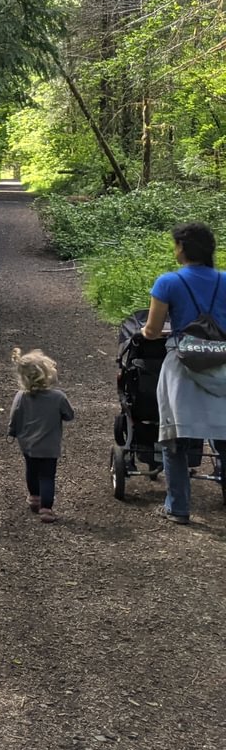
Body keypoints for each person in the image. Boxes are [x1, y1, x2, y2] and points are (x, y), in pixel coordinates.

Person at [140, 221, 226, 524]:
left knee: (174, 438)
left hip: (182, 364)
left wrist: (147, 330)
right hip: (221, 361)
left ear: (182, 248)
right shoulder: (224, 280)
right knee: (224, 433)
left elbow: (151, 331)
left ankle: (178, 507)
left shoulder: (168, 282)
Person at [7, 348, 75, 523]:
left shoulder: (21, 396)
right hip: (49, 446)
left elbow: (15, 416)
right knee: (47, 476)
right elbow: (69, 415)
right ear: (47, 374)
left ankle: (34, 498)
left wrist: (12, 431)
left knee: (31, 471)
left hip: (28, 444)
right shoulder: (58, 397)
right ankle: (46, 508)